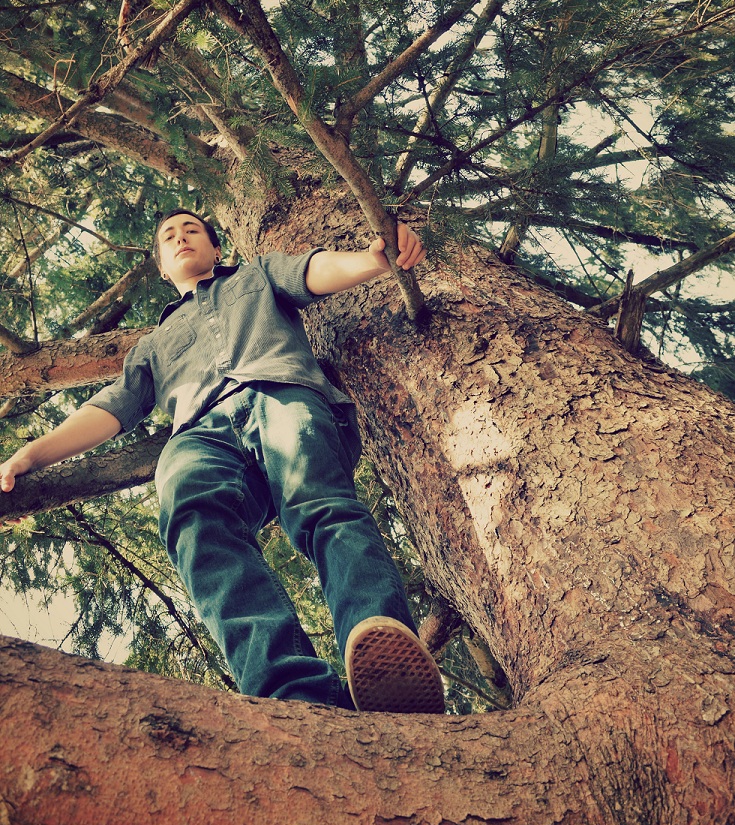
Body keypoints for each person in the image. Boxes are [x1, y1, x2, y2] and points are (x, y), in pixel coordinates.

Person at [0, 209, 444, 714]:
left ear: (216, 249)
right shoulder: (151, 346)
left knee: (319, 504)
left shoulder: (256, 274)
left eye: (191, 230)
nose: (181, 237)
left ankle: (383, 654)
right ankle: (288, 689)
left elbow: (312, 271)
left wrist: (373, 261)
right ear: (164, 267)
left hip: (279, 394)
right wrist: (32, 454)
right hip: (199, 435)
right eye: (169, 236)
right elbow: (108, 410)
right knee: (194, 520)